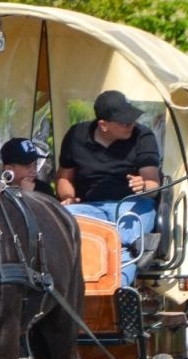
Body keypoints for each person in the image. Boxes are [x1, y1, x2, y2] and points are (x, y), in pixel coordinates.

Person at [55, 89, 162, 287]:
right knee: (63, 218)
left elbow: (153, 183)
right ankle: (68, 289)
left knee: (126, 238)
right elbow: (64, 178)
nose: (130, 124)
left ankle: (117, 291)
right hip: (90, 207)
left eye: (131, 118)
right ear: (103, 125)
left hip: (132, 204)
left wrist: (144, 185)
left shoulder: (143, 136)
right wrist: (68, 196)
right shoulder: (76, 135)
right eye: (123, 121)